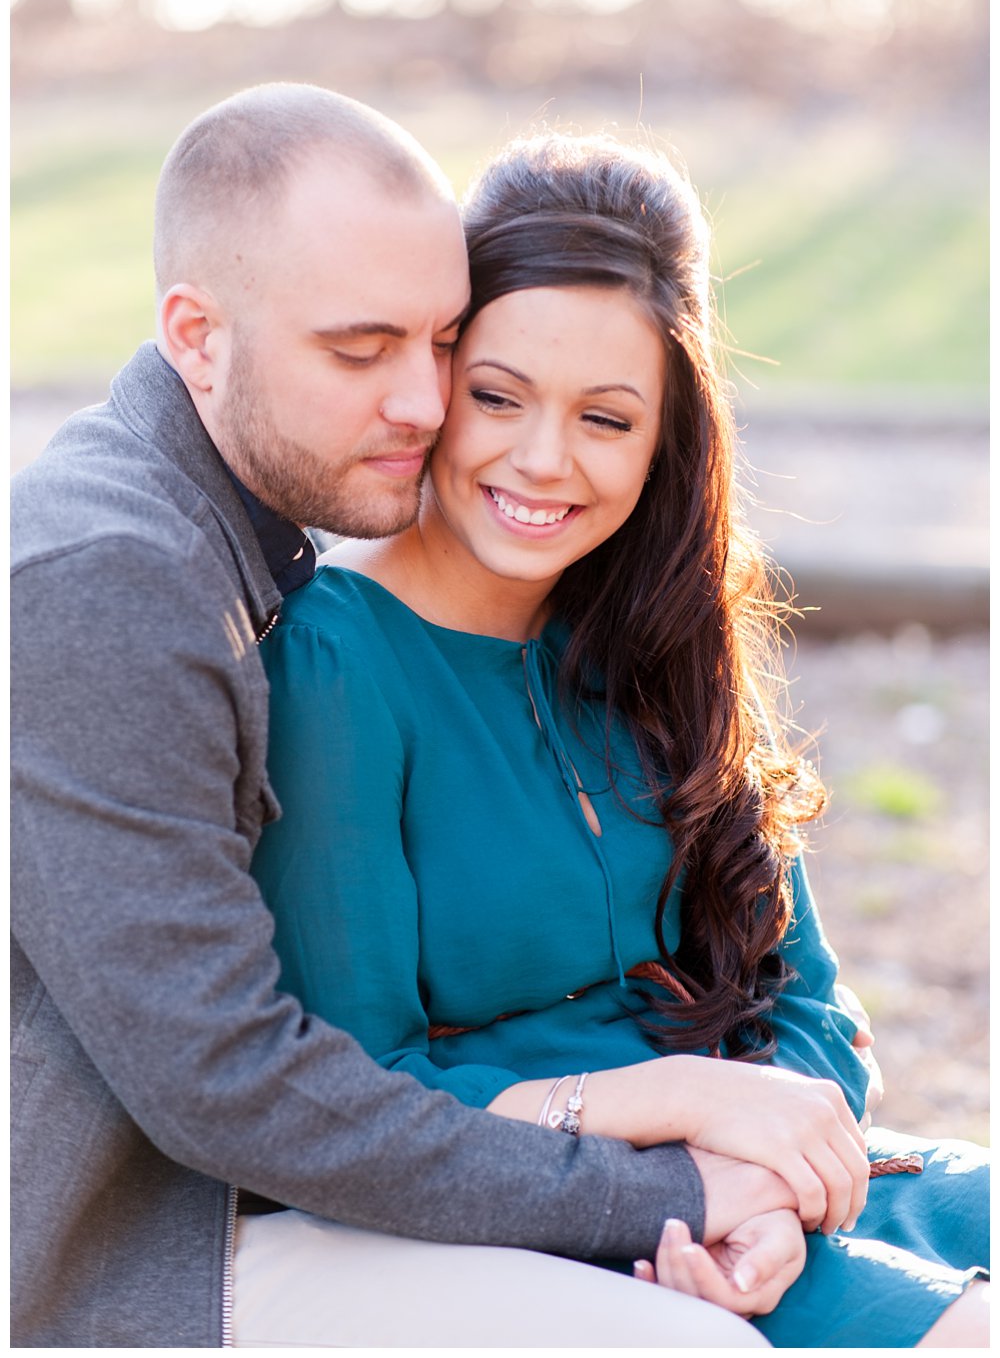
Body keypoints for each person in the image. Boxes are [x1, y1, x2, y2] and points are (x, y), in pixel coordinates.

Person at [11, 83, 803, 1349]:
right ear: (196, 335)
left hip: (304, 1190)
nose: (428, 405)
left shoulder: (238, 529)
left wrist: (771, 1148)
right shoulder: (108, 579)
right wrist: (677, 1184)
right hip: (153, 1255)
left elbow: (787, 968)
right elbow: (237, 1086)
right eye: (359, 348)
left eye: (440, 343)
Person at [250, 130, 990, 1347]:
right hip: (554, 1218)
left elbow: (799, 986)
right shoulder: (337, 662)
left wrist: (776, 1179)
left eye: (606, 417)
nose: (541, 461)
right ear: (439, 380)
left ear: (665, 441)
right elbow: (363, 1095)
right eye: (497, 397)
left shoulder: (656, 625)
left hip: (771, 1181)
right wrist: (684, 1111)